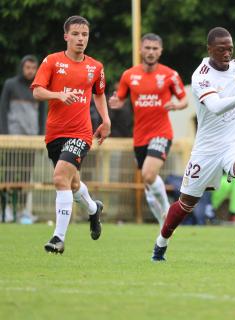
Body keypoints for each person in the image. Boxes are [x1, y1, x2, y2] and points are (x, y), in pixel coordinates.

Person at [151, 27, 235, 261]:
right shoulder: (201, 76)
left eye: (230, 48)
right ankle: (161, 243)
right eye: (221, 49)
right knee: (186, 204)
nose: (227, 53)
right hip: (207, 149)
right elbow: (216, 107)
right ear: (209, 49)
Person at [31, 15, 110, 254]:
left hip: (80, 133)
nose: (80, 39)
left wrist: (105, 119)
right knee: (72, 183)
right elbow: (37, 91)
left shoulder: (95, 67)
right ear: (66, 36)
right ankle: (94, 210)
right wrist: (57, 95)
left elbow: (99, 93)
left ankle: (58, 238)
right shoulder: (52, 61)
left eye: (84, 34)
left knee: (58, 179)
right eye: (75, 34)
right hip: (55, 134)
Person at [109, 33, 187, 228]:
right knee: (148, 183)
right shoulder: (129, 75)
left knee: (149, 174)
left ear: (160, 51)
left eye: (155, 49)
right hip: (140, 137)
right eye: (148, 48)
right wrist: (115, 103)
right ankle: (163, 223)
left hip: (162, 132)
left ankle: (168, 213)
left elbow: (184, 99)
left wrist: (176, 106)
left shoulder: (170, 74)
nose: (151, 52)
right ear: (140, 50)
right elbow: (120, 98)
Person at [0, 55, 45, 221]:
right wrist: (4, 135)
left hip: (31, 139)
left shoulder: (39, 88)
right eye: (27, 67)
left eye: (33, 68)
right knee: (10, 174)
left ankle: (23, 212)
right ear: (22, 67)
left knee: (27, 176)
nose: (30, 71)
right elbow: (3, 110)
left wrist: (41, 136)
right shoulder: (10, 84)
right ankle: (6, 211)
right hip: (13, 137)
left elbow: (42, 116)